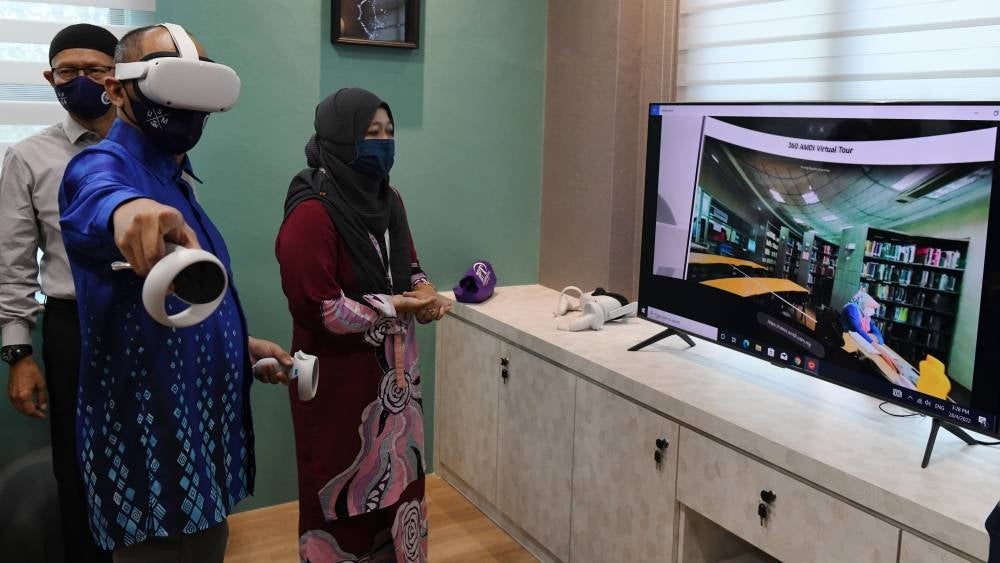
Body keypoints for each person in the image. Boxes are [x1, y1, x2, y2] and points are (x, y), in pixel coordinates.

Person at [58, 23, 291, 562]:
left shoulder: (177, 179)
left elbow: (177, 302)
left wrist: (241, 345)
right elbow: (95, 195)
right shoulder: (105, 167)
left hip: (200, 430)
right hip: (151, 448)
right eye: (172, 75)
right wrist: (126, 209)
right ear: (117, 89)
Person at [276, 88, 450, 562]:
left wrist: (424, 292)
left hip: (396, 384)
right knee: (341, 497)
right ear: (340, 136)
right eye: (371, 133)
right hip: (337, 388)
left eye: (389, 132)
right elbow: (318, 307)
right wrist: (399, 306)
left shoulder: (390, 200)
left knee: (400, 495)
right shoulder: (312, 210)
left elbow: (410, 267)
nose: (383, 142)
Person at [0, 23, 119, 563]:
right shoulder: (29, 158)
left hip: (152, 321)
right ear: (50, 78)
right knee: (78, 464)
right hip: (75, 327)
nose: (81, 80)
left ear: (116, 79)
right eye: (68, 71)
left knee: (154, 453)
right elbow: (14, 262)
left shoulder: (155, 148)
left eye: (94, 69)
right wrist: (19, 352)